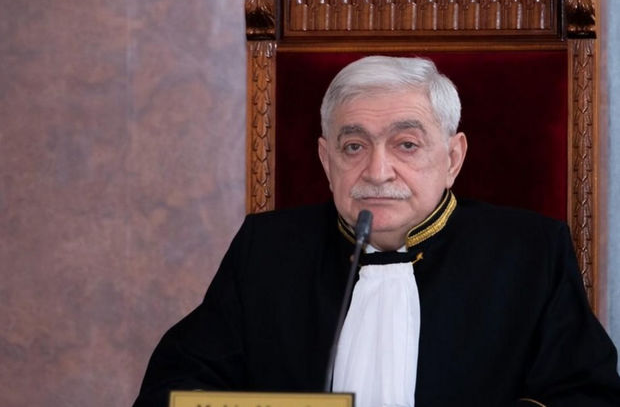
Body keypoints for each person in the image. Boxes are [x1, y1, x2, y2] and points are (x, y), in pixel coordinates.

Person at [134, 56, 620, 407]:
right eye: (354, 146)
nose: (377, 171)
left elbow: (586, 394)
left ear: (452, 158)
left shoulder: (530, 253)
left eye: (406, 144)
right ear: (326, 161)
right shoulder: (268, 251)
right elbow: (175, 388)